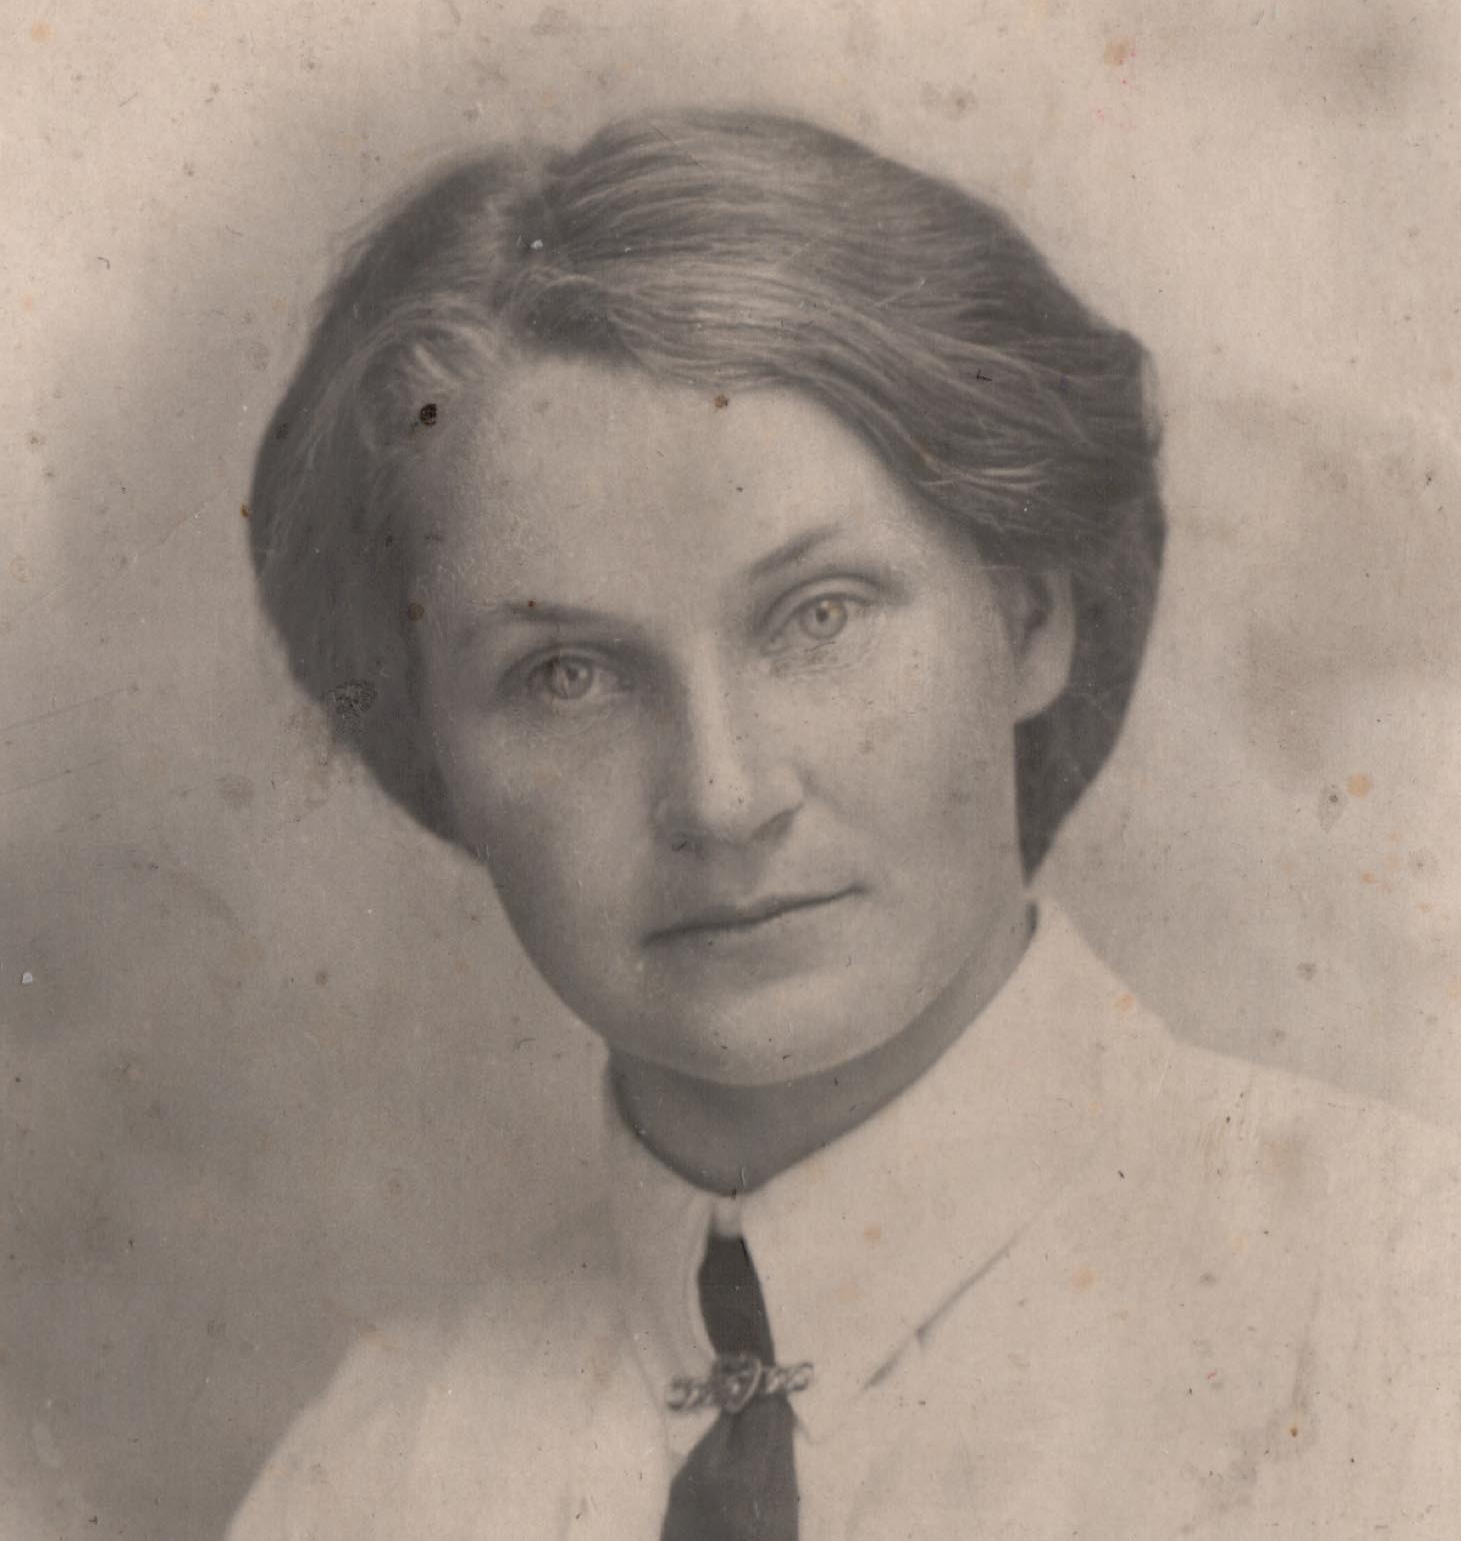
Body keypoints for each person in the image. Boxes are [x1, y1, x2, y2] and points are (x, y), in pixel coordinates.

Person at [229, 109, 1459, 1538]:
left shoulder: (1398, 1314)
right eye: (566, 674)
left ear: (1027, 617)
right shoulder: (373, 1479)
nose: (722, 796)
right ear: (433, 750)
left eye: (818, 616)